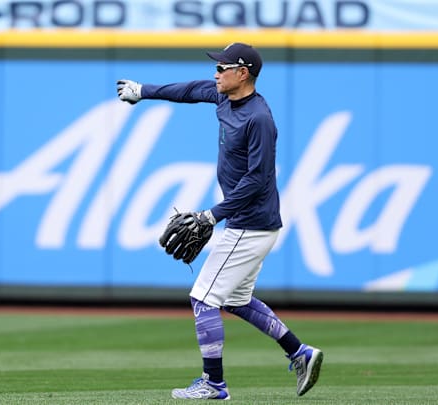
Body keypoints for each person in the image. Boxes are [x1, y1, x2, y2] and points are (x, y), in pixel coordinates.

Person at [116, 42, 323, 400]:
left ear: (242, 73)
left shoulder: (259, 118)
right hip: (249, 223)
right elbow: (190, 90)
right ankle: (299, 352)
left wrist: (213, 215)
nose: (216, 74)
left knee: (203, 299)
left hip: (250, 223)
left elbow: (258, 180)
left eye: (222, 68)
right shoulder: (224, 96)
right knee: (236, 299)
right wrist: (143, 92)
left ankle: (214, 383)